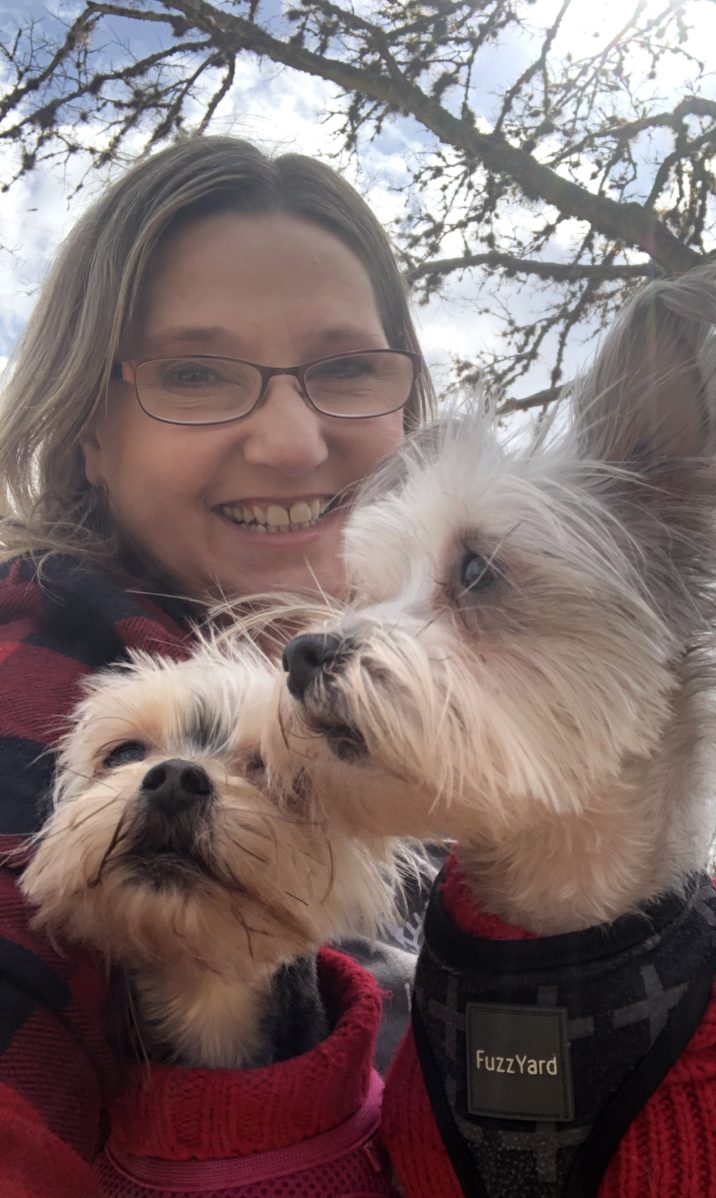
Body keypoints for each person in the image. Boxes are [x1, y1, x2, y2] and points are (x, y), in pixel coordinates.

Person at [0, 135, 435, 1197]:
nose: (291, 444)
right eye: (193, 374)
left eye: (345, 368)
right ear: (88, 432)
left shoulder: (461, 725)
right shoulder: (30, 662)